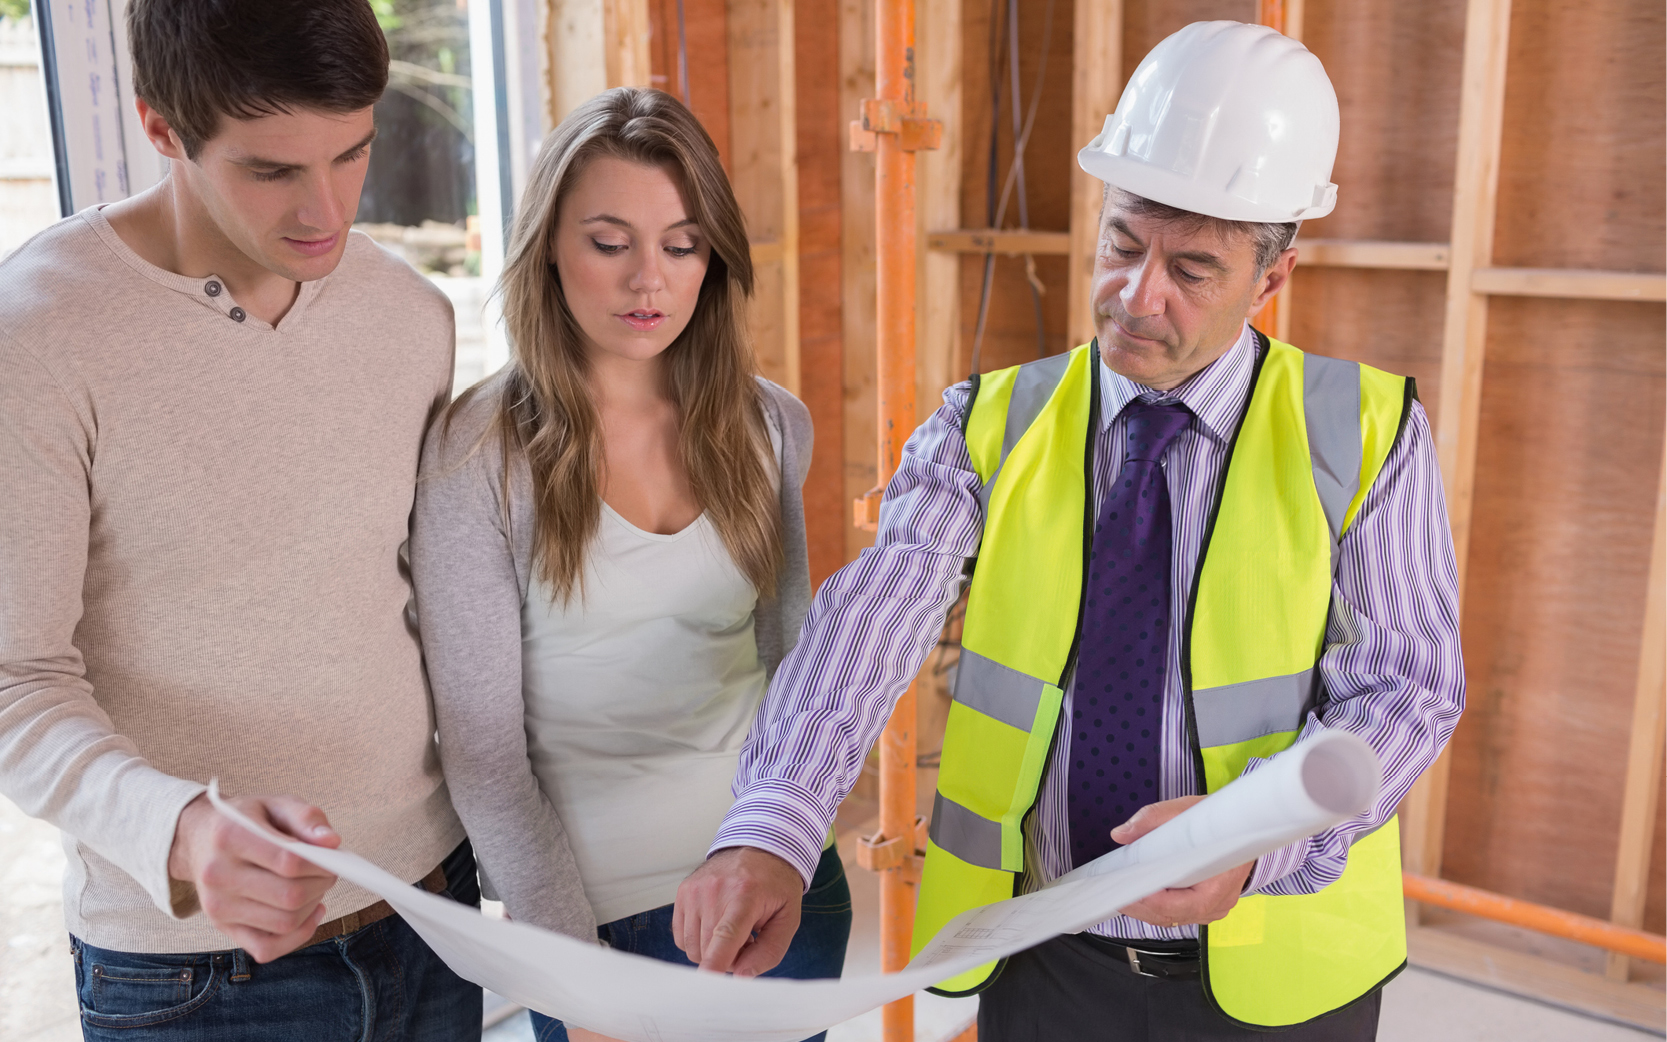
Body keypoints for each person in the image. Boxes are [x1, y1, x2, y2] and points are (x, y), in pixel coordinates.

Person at [674, 21, 1465, 1041]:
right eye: (1122, 243)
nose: (1138, 295)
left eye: (1191, 268)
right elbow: (873, 613)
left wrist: (1252, 839)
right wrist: (772, 825)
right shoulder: (989, 422)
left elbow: (1408, 688)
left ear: (1270, 278)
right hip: (1041, 957)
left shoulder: (1361, 433)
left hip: (1277, 971)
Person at [0, 1, 482, 1039]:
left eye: (352, 153)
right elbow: (14, 680)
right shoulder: (37, 337)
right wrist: (179, 829)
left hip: (429, 911)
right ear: (161, 126)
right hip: (195, 980)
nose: (326, 210)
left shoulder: (412, 318)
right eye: (271, 170)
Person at [411, 87, 850, 1042]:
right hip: (599, 922)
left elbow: (793, 673)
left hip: (776, 891)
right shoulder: (476, 454)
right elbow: (483, 758)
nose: (646, 279)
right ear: (549, 251)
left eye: (681, 244)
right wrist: (577, 976)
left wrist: (789, 848)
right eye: (609, 243)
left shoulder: (771, 426)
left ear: (714, 258)